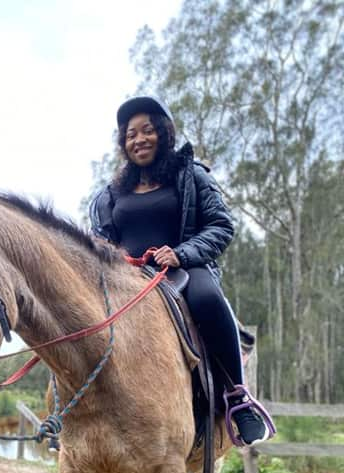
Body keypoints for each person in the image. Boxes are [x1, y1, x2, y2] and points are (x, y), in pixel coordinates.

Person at [89, 95, 275, 446]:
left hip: (184, 269)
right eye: (130, 134)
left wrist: (181, 253)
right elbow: (100, 238)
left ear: (163, 133)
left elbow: (221, 226)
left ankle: (237, 397)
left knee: (207, 298)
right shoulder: (111, 193)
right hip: (125, 276)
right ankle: (70, 408)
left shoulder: (191, 176)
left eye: (147, 130)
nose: (138, 139)